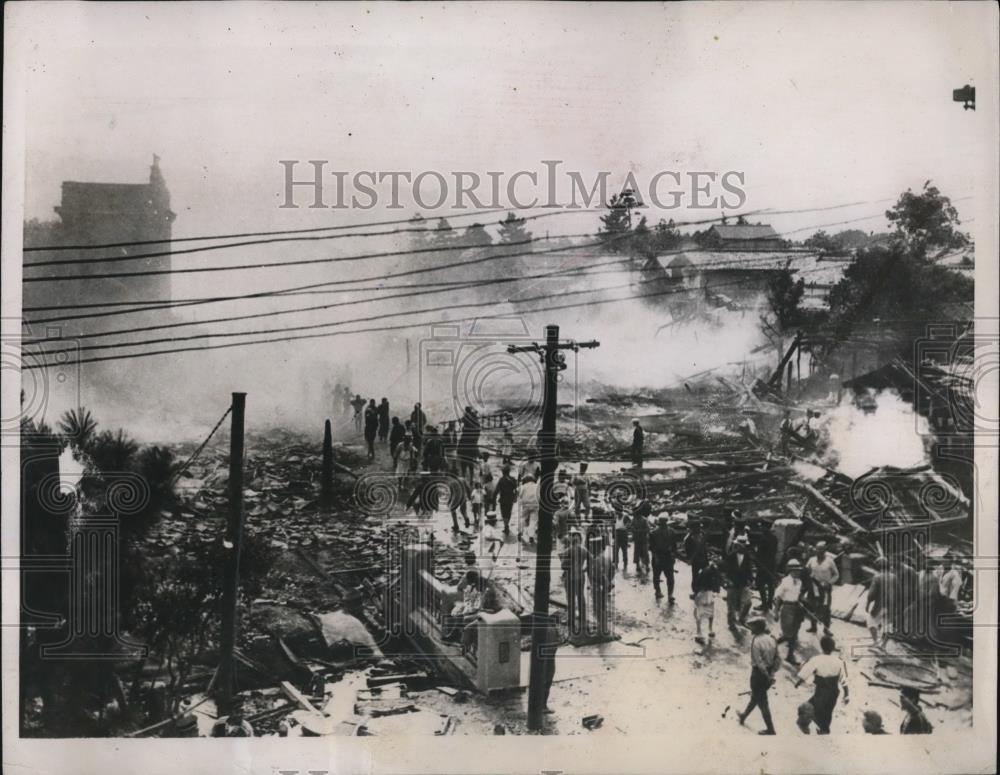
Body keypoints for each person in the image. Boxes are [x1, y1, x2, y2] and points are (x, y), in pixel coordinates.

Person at [795, 634, 850, 734]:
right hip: (833, 691)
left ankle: (804, 725)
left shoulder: (817, 659)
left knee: (808, 708)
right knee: (827, 712)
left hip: (821, 690)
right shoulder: (839, 661)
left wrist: (798, 682)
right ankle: (824, 730)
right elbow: (844, 679)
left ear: (821, 646)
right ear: (833, 648)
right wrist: (846, 694)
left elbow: (806, 672)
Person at [737, 616, 780, 735]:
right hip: (768, 673)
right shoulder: (772, 639)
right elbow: (778, 659)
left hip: (758, 675)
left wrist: (767, 675)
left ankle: (770, 729)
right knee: (757, 697)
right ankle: (743, 716)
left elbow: (758, 662)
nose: (750, 629)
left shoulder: (756, 641)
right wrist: (772, 673)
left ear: (757, 629)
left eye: (752, 627)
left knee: (762, 702)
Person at [560, 530, 590, 638]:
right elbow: (592, 561)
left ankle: (571, 620)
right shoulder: (584, 550)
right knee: (581, 597)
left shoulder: (568, 551)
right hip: (580, 576)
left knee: (570, 598)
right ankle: (582, 620)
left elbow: (563, 566)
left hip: (570, 577)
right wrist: (584, 569)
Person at [774, 558, 805, 665]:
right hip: (787, 608)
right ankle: (771, 644)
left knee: (794, 634)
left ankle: (790, 656)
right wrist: (776, 612)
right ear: (790, 570)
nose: (798, 572)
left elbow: (798, 595)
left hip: (797, 608)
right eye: (795, 570)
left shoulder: (799, 582)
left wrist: (800, 602)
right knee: (788, 634)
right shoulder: (785, 581)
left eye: (799, 570)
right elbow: (778, 597)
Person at [723, 534, 755, 636]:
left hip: (743, 583)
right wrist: (727, 580)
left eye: (744, 546)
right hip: (732, 584)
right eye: (740, 545)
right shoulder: (730, 556)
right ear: (737, 545)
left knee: (748, 602)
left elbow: (749, 569)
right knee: (731, 606)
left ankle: (742, 618)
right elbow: (725, 571)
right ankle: (731, 623)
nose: (742, 547)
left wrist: (751, 579)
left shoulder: (747, 557)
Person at [806, 541, 839, 634]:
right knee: (812, 607)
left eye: (821, 549)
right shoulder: (811, 560)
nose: (819, 551)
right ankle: (813, 626)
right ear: (815, 550)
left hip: (825, 589)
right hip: (813, 587)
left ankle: (826, 629)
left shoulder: (830, 561)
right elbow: (807, 571)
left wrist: (829, 582)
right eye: (817, 549)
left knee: (826, 609)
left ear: (825, 550)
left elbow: (836, 575)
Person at [532, 612, 561, 714]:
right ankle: (542, 706)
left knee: (542, 682)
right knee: (546, 681)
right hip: (547, 658)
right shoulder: (550, 629)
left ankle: (539, 704)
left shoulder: (545, 628)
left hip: (545, 658)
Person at [866, 557, 897, 650]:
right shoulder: (894, 577)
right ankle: (883, 645)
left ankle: (875, 642)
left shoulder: (877, 577)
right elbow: (899, 591)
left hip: (879, 604)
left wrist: (868, 603)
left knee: (871, 622)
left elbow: (871, 593)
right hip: (891, 605)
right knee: (887, 625)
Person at [588, 534, 614, 637]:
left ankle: (601, 630)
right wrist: (608, 581)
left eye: (592, 546)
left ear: (597, 546)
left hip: (598, 585)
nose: (591, 548)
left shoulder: (597, 560)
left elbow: (598, 574)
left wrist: (601, 583)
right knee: (602, 606)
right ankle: (603, 627)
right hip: (603, 584)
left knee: (598, 607)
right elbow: (612, 569)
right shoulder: (606, 557)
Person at [693, 559, 721, 644]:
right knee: (699, 613)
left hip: (708, 592)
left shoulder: (713, 571)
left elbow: (716, 583)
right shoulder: (707, 571)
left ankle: (709, 629)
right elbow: (699, 584)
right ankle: (699, 632)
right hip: (702, 592)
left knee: (710, 612)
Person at [650, 516, 677, 603]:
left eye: (664, 523)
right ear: (659, 524)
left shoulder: (672, 532)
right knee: (656, 576)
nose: (663, 525)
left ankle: (670, 595)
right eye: (662, 524)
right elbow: (652, 548)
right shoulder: (653, 533)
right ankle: (658, 591)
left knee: (670, 577)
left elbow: (674, 546)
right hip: (658, 555)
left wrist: (673, 556)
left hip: (668, 556)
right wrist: (655, 557)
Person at [754, 520, 779, 610]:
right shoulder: (774, 538)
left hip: (763, 565)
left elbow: (760, 553)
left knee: (760, 584)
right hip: (772, 564)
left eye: (762, 526)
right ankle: (769, 603)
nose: (760, 528)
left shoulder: (763, 538)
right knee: (770, 584)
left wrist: (757, 561)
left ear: (765, 527)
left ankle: (764, 603)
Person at [683, 521, 709, 598]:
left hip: (704, 559)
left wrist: (706, 557)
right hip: (696, 561)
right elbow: (688, 551)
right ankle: (695, 592)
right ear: (693, 529)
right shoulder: (688, 539)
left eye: (700, 527)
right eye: (698, 527)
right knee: (695, 576)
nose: (700, 529)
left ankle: (705, 591)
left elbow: (705, 547)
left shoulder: (702, 535)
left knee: (705, 575)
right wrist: (690, 559)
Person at [457, 406, 480, 484]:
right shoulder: (475, 420)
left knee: (463, 462)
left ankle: (463, 477)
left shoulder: (466, 417)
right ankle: (471, 479)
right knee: (471, 463)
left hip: (465, 443)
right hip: (472, 444)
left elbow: (461, 421)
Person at [631, 498, 652, 582]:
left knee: (645, 552)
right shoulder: (634, 520)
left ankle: (647, 566)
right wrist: (634, 530)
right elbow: (631, 527)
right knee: (637, 552)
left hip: (643, 539)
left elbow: (648, 529)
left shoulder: (644, 520)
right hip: (637, 539)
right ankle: (637, 565)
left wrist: (639, 531)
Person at [494, 465, 518, 535]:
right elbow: (516, 489)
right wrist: (515, 497)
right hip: (510, 498)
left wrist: (493, 498)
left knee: (503, 513)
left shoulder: (501, 480)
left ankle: (505, 525)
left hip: (503, 499)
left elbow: (496, 490)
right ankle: (506, 524)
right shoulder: (513, 479)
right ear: (509, 472)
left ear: (502, 472)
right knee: (508, 512)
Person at [448, 463, 469, 532]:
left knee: (452, 510)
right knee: (463, 510)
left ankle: (456, 525)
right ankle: (466, 519)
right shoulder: (463, 479)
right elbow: (468, 488)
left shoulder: (451, 483)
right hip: (463, 496)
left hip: (456, 498)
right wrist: (469, 496)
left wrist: (449, 501)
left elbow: (451, 493)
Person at [518, 473, 539, 544]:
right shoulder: (537, 486)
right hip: (535, 505)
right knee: (533, 521)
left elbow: (520, 495)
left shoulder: (523, 486)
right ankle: (531, 536)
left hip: (526, 505)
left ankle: (520, 531)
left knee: (523, 518)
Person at [613, 506, 630, 573]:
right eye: (616, 511)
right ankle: (616, 563)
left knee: (624, 550)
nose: (617, 512)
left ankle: (625, 563)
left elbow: (630, 523)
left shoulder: (625, 516)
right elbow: (613, 525)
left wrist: (626, 528)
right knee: (615, 550)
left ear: (621, 511)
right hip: (617, 533)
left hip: (623, 534)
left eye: (618, 511)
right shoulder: (616, 517)